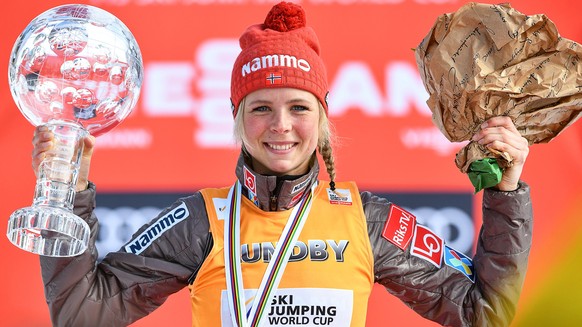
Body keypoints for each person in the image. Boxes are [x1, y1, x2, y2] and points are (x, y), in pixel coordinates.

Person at [33, 2, 533, 326]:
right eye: (261, 108)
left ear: (322, 116)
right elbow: (82, 312)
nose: (281, 126)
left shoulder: (365, 220)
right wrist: (67, 192)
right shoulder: (202, 222)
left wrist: (506, 192)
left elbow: (483, 312)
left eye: (298, 107)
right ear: (236, 118)